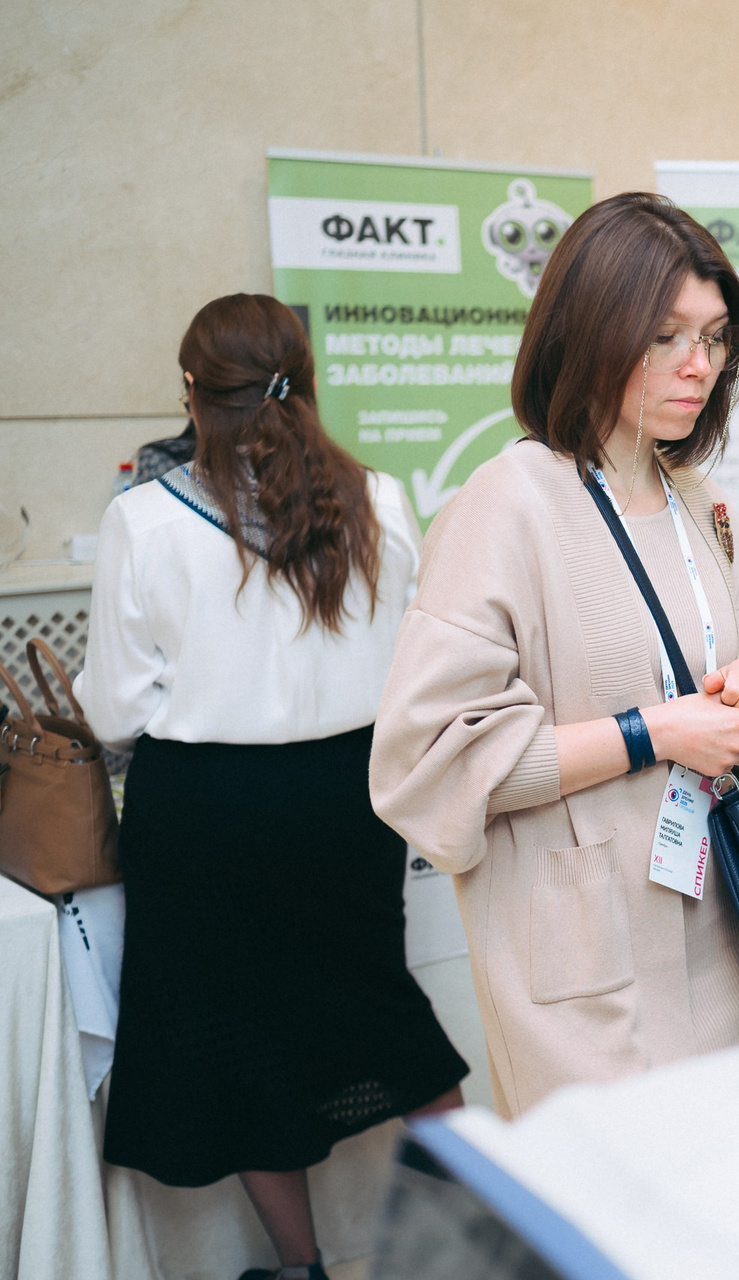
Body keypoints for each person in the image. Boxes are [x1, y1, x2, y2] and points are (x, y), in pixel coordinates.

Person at [369, 193, 739, 1120]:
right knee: (619, 1195)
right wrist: (652, 734)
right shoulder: (506, 505)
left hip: (727, 932)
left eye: (716, 338)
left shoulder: (701, 502)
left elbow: (724, 691)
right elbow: (424, 762)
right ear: (591, 330)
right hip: (587, 960)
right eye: (666, 337)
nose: (699, 365)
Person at [76, 294, 468, 1280]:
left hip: (206, 814)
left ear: (193, 393)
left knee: (238, 1042)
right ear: (307, 379)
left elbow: (115, 709)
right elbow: (413, 662)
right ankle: (462, 1243)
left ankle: (302, 1266)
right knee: (382, 1011)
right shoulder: (380, 501)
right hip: (352, 802)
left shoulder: (142, 520)